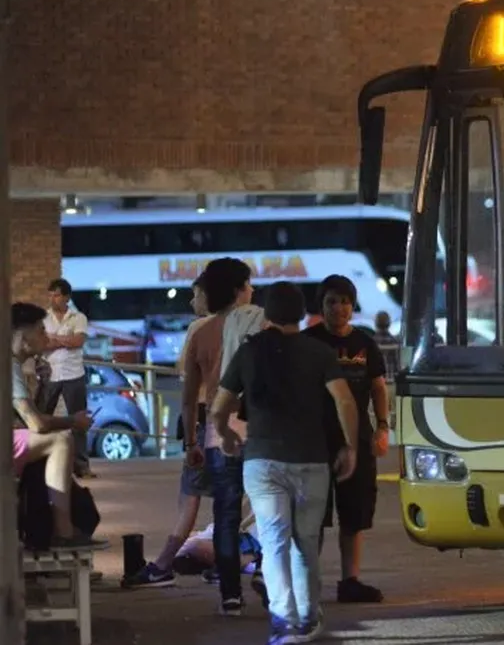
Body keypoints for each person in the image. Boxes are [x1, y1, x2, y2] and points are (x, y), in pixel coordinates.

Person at [212, 281, 360, 644]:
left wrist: (228, 436)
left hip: (262, 462)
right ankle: (309, 617)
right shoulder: (319, 353)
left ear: (268, 314)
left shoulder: (250, 353)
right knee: (305, 542)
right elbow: (344, 402)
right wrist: (351, 447)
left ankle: (283, 620)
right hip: (311, 460)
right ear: (302, 312)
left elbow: (220, 407)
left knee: (274, 541)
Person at [303, 275, 389, 603]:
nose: (338, 308)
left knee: (355, 514)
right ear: (321, 306)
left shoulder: (365, 344)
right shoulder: (308, 342)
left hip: (359, 440)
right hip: (316, 442)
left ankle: (350, 581)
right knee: (314, 516)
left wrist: (382, 428)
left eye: (344, 302)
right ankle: (308, 581)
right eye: (331, 302)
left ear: (353, 306)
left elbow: (379, 387)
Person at [123, 278, 212, 589]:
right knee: (234, 496)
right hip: (234, 421)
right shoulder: (241, 327)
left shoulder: (201, 329)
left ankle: (163, 565)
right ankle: (229, 562)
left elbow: (183, 373)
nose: (191, 302)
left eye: (196, 295)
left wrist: (189, 440)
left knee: (190, 497)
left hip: (202, 419)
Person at [181, 258, 257, 616]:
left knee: (225, 514)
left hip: (217, 432)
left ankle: (231, 594)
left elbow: (189, 394)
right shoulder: (262, 326)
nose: (253, 291)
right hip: (259, 431)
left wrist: (190, 444)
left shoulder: (199, 331)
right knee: (271, 509)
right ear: (240, 289)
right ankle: (270, 577)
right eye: (250, 284)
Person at [10, 302, 105, 549]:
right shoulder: (8, 366)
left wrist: (43, 383)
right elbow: (36, 423)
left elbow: (30, 419)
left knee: (56, 441)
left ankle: (51, 528)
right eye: (40, 330)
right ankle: (63, 531)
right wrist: (73, 420)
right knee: (61, 440)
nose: (46, 336)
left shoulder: (16, 366)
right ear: (22, 335)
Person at [39, 278, 94, 478]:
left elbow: (78, 342)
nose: (53, 299)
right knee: (42, 419)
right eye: (51, 295)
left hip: (74, 374)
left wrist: (55, 338)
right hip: (51, 374)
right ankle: (38, 464)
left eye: (57, 295)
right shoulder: (44, 318)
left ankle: (81, 466)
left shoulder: (78, 317)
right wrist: (64, 340)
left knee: (79, 422)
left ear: (67, 297)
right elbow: (43, 344)